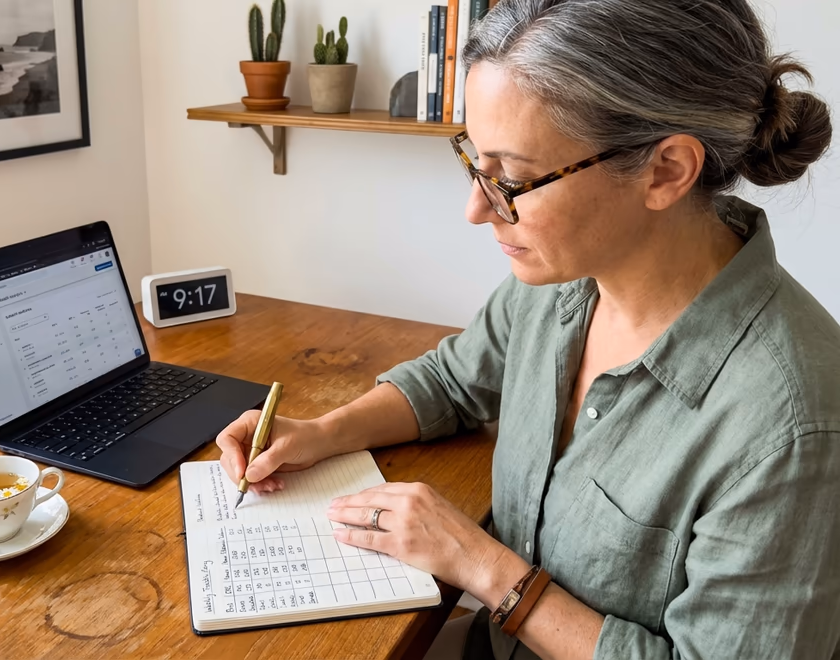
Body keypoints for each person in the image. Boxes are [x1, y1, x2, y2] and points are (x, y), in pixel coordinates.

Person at [216, 0, 839, 657]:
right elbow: (452, 383)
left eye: (512, 178)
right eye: (475, 163)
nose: (476, 208)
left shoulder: (792, 427)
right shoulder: (563, 284)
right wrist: (319, 433)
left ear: (666, 171)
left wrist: (484, 568)